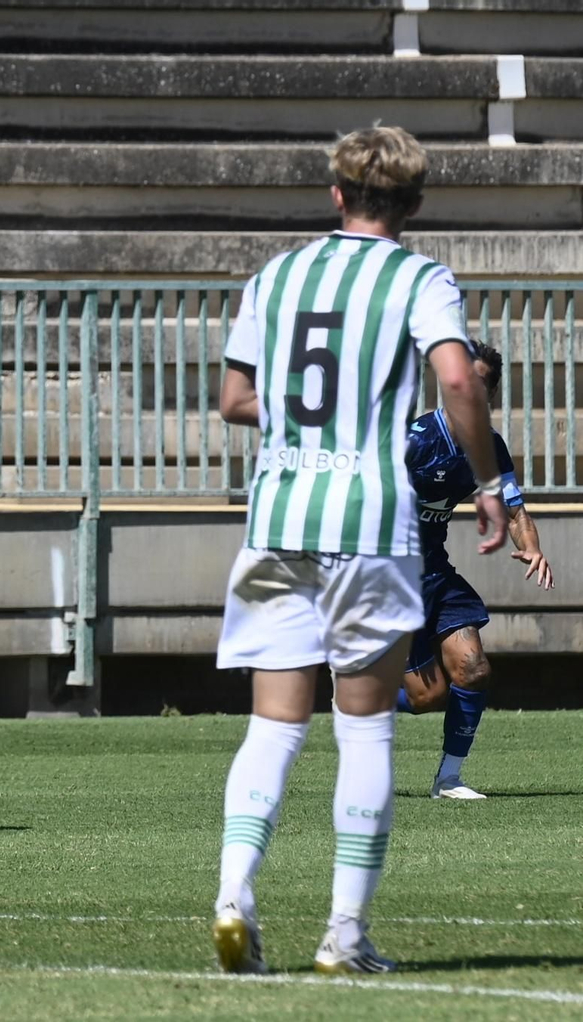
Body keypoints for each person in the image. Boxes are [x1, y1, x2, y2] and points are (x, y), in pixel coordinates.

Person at [210, 126, 509, 975]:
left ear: (336, 194)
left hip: (280, 514)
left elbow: (235, 397)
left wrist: (307, 424)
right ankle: (344, 934)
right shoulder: (419, 277)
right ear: (413, 205)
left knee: (274, 726)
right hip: (371, 523)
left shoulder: (280, 274)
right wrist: (487, 483)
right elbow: (457, 380)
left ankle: (234, 896)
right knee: (366, 729)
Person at [399, 341, 555, 799]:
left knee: (473, 668)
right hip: (389, 576)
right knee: (429, 698)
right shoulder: (416, 440)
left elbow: (515, 511)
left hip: (433, 572)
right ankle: (355, 697)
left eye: (480, 383)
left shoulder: (489, 448)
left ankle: (448, 779)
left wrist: (532, 549)